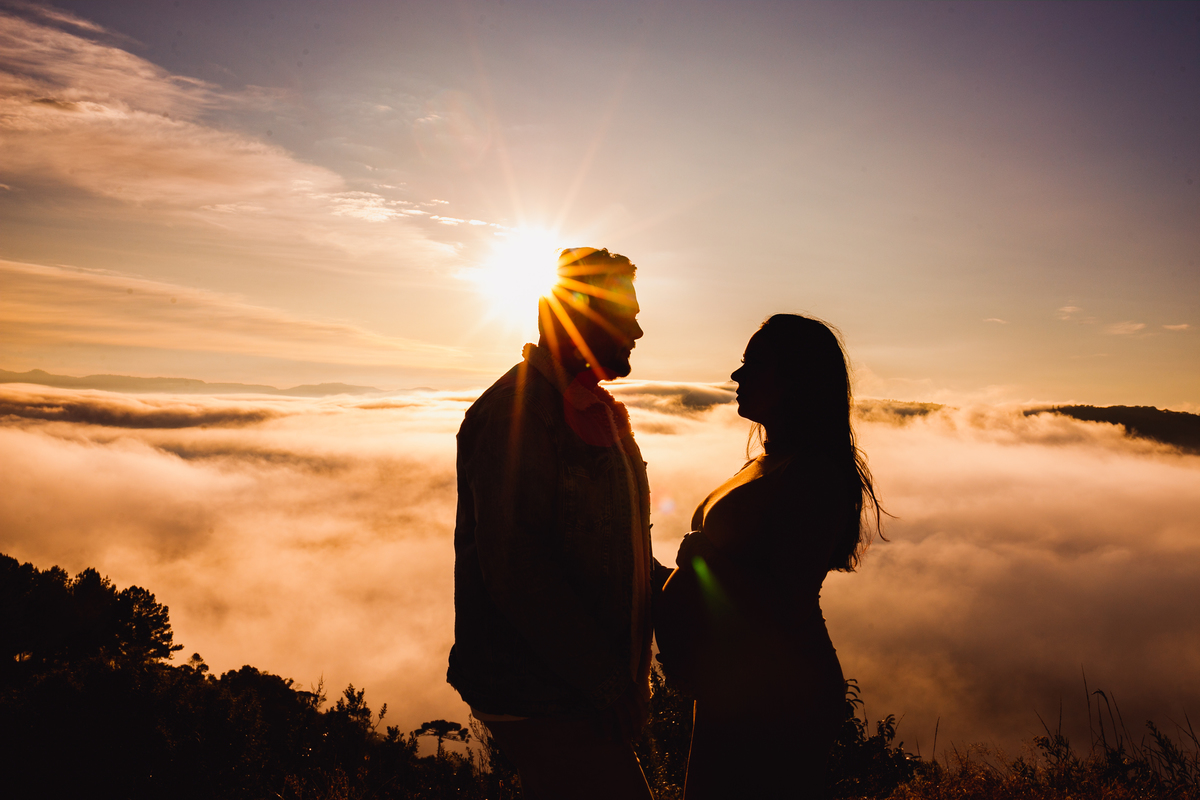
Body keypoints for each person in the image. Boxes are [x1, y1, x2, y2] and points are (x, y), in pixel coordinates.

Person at [448, 247, 673, 800]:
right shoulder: (517, 412)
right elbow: (516, 566)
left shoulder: (595, 409)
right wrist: (605, 682)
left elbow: (610, 544)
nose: (638, 331)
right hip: (539, 688)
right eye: (625, 317)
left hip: (568, 684)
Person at [654, 313, 882, 799]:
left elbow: (786, 606)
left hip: (779, 696)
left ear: (796, 379)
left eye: (754, 363)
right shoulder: (768, 461)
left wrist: (700, 562)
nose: (737, 375)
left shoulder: (813, 474)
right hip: (736, 689)